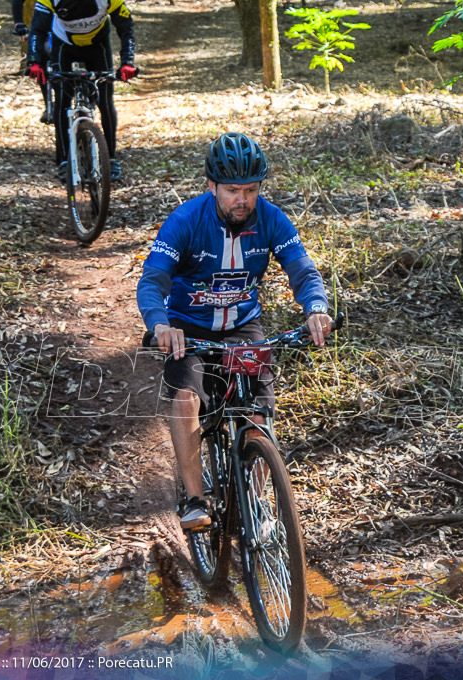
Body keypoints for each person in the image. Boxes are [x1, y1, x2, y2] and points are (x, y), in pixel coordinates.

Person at [137, 133, 334, 529]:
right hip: (188, 329)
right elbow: (153, 279)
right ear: (212, 187)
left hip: (243, 327)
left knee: (261, 415)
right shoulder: (186, 221)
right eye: (231, 191)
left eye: (250, 190)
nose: (241, 200)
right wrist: (160, 323)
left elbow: (302, 269)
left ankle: (256, 501)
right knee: (186, 400)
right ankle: (195, 499)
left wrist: (316, 308)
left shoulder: (272, 219)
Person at [25, 0, 139, 182]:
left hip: (97, 45)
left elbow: (126, 28)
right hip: (64, 46)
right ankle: (63, 160)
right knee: (62, 100)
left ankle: (110, 158)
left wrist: (128, 63)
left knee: (105, 100)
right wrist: (34, 61)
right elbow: (37, 30)